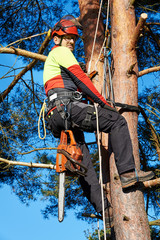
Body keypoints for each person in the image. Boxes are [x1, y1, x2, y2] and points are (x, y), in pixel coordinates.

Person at [43, 15, 154, 227]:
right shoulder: (60, 52)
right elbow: (81, 79)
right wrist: (103, 103)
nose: (72, 43)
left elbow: (69, 87)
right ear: (57, 38)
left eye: (74, 40)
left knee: (82, 162)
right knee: (116, 121)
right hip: (68, 110)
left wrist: (88, 99)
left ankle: (106, 211)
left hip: (58, 115)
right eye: (68, 38)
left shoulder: (53, 61)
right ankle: (128, 173)